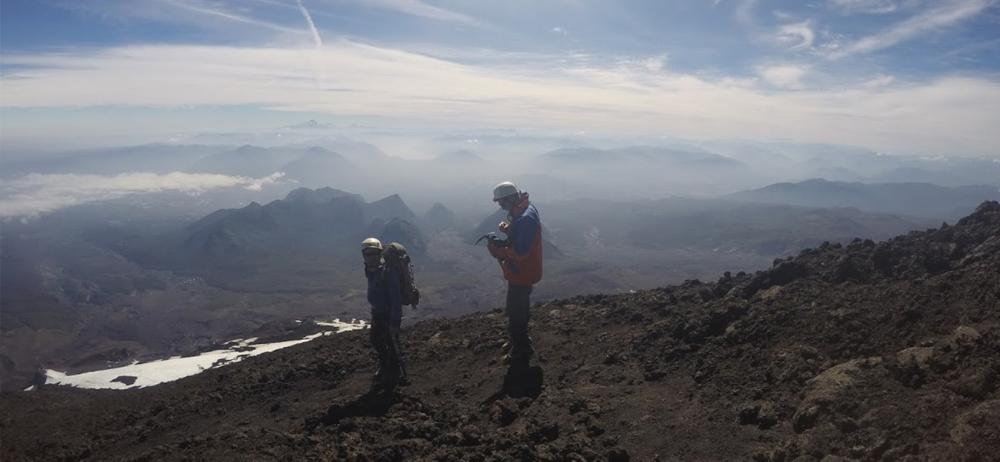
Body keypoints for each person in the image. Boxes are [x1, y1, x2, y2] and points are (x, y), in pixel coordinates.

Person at [486, 181, 543, 367]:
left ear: (511, 199)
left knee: (516, 313)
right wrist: (509, 229)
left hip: (522, 273)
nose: (500, 206)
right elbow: (521, 236)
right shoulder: (525, 210)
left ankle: (521, 350)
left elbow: (520, 253)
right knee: (519, 308)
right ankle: (519, 341)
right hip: (523, 272)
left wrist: (498, 252)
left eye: (502, 202)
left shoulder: (526, 218)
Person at [361, 237, 406, 386]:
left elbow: (396, 299)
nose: (370, 257)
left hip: (388, 314)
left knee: (391, 343)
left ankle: (393, 374)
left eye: (373, 254)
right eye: (367, 254)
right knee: (376, 340)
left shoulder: (387, 273)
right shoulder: (371, 270)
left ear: (379, 254)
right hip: (377, 313)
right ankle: (385, 366)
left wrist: (395, 322)